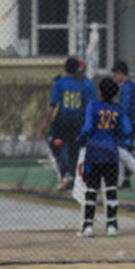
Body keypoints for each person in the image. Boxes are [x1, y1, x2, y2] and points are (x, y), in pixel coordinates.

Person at [76, 77, 132, 238]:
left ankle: (88, 226)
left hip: (94, 151)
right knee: (111, 189)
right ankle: (112, 226)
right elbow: (127, 130)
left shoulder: (92, 106)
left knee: (91, 189)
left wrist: (81, 140)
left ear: (99, 92)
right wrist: (117, 135)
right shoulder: (118, 109)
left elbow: (87, 127)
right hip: (111, 153)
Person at [39, 57, 89, 191]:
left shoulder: (60, 83)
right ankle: (71, 175)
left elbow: (53, 105)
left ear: (65, 69)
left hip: (63, 119)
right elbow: (85, 105)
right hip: (77, 120)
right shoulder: (81, 84)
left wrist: (45, 122)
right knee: (74, 149)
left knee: (55, 145)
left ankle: (65, 172)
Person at [111, 61, 135, 190]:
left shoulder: (127, 88)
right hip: (131, 123)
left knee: (122, 152)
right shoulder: (130, 86)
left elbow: (126, 108)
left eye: (116, 74)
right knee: (122, 152)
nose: (115, 77)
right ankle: (123, 181)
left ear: (121, 73)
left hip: (127, 124)